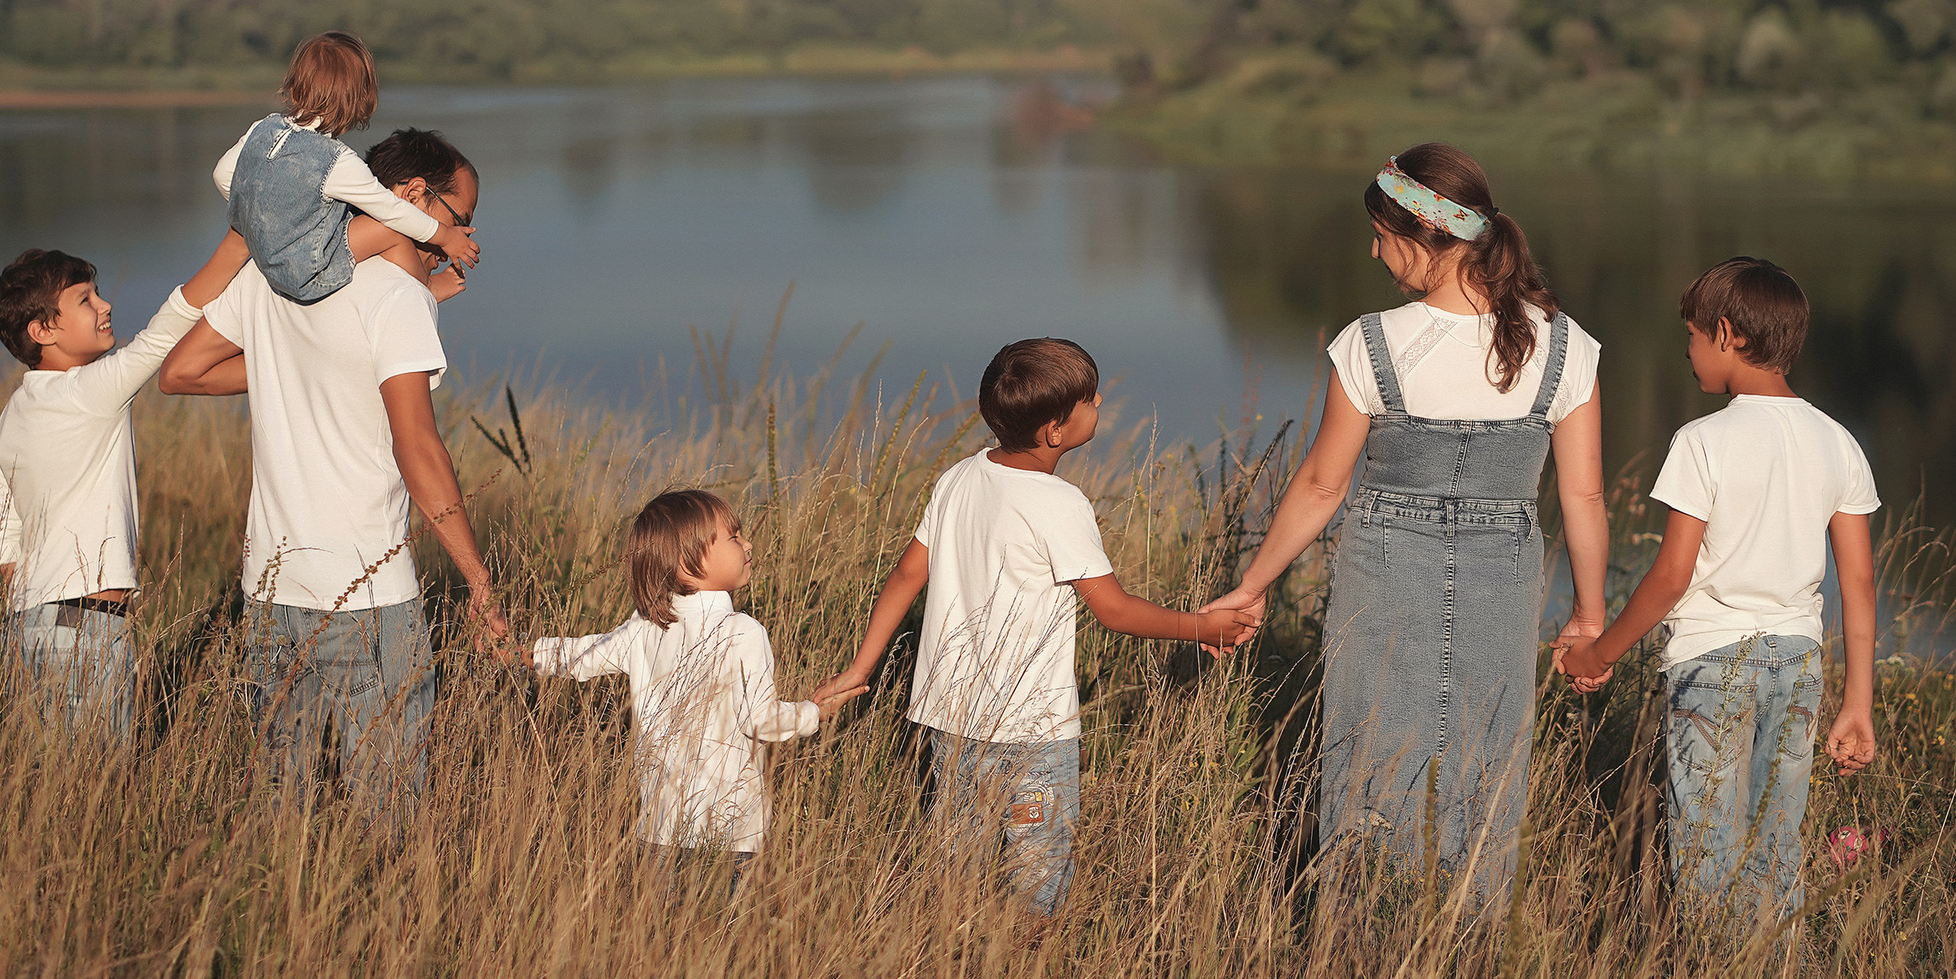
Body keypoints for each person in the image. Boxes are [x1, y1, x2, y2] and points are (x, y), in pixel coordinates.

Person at [1206, 144, 1609, 904]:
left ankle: (1359, 931)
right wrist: (1589, 616)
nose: (1373, 251)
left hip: (1383, 563)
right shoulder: (1565, 344)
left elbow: (1323, 484)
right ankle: (1469, 941)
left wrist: (1252, 586)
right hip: (1504, 573)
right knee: (1489, 753)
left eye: (1381, 234)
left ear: (1423, 235)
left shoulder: (1372, 341)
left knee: (1369, 749)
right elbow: (1584, 498)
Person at [814, 338, 1257, 919]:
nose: (1100, 404)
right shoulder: (1059, 502)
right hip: (1032, 731)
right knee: (1037, 887)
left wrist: (861, 666)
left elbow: (904, 577)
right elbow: (1115, 611)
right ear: (1054, 430)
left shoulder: (957, 478)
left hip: (950, 721)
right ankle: (1028, 966)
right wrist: (1201, 627)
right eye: (1090, 400)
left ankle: (952, 959)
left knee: (958, 873)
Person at [158, 127, 508, 827]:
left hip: (269, 590)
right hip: (367, 594)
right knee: (389, 810)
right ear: (413, 196)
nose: (463, 238)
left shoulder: (275, 275)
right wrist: (478, 579)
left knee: (279, 805)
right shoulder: (397, 297)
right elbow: (418, 447)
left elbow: (181, 372)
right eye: (460, 217)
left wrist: (289, 362)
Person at [1560, 257, 1879, 922]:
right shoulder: (1838, 441)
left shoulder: (1702, 440)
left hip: (1711, 666)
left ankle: (1711, 977)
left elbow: (1670, 578)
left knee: (1708, 854)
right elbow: (1858, 582)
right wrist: (1858, 703)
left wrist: (1600, 652)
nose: (1688, 351)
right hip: (1799, 665)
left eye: (1694, 336)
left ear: (1728, 334)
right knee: (1776, 845)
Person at [511, 490, 860, 893]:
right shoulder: (743, 631)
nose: (748, 544)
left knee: (662, 929)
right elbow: (762, 721)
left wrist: (523, 654)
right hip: (731, 834)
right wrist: (813, 712)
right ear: (686, 563)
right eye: (734, 537)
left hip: (660, 830)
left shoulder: (645, 626)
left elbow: (584, 656)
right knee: (723, 929)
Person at [0, 231, 251, 742]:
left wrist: (45, 597)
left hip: (25, 626)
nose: (105, 305)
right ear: (42, 330)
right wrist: (238, 245)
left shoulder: (11, 416)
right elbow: (164, 331)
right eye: (85, 299)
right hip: (87, 624)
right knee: (97, 778)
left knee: (48, 780)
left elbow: (0, 538)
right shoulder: (90, 390)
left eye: (97, 293)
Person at [214, 29, 480, 305]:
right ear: (360, 102)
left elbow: (223, 175)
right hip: (305, 273)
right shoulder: (337, 161)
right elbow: (391, 209)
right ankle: (426, 288)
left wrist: (266, 216)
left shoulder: (263, 128)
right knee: (388, 229)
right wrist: (445, 235)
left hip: (265, 254)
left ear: (294, 88)